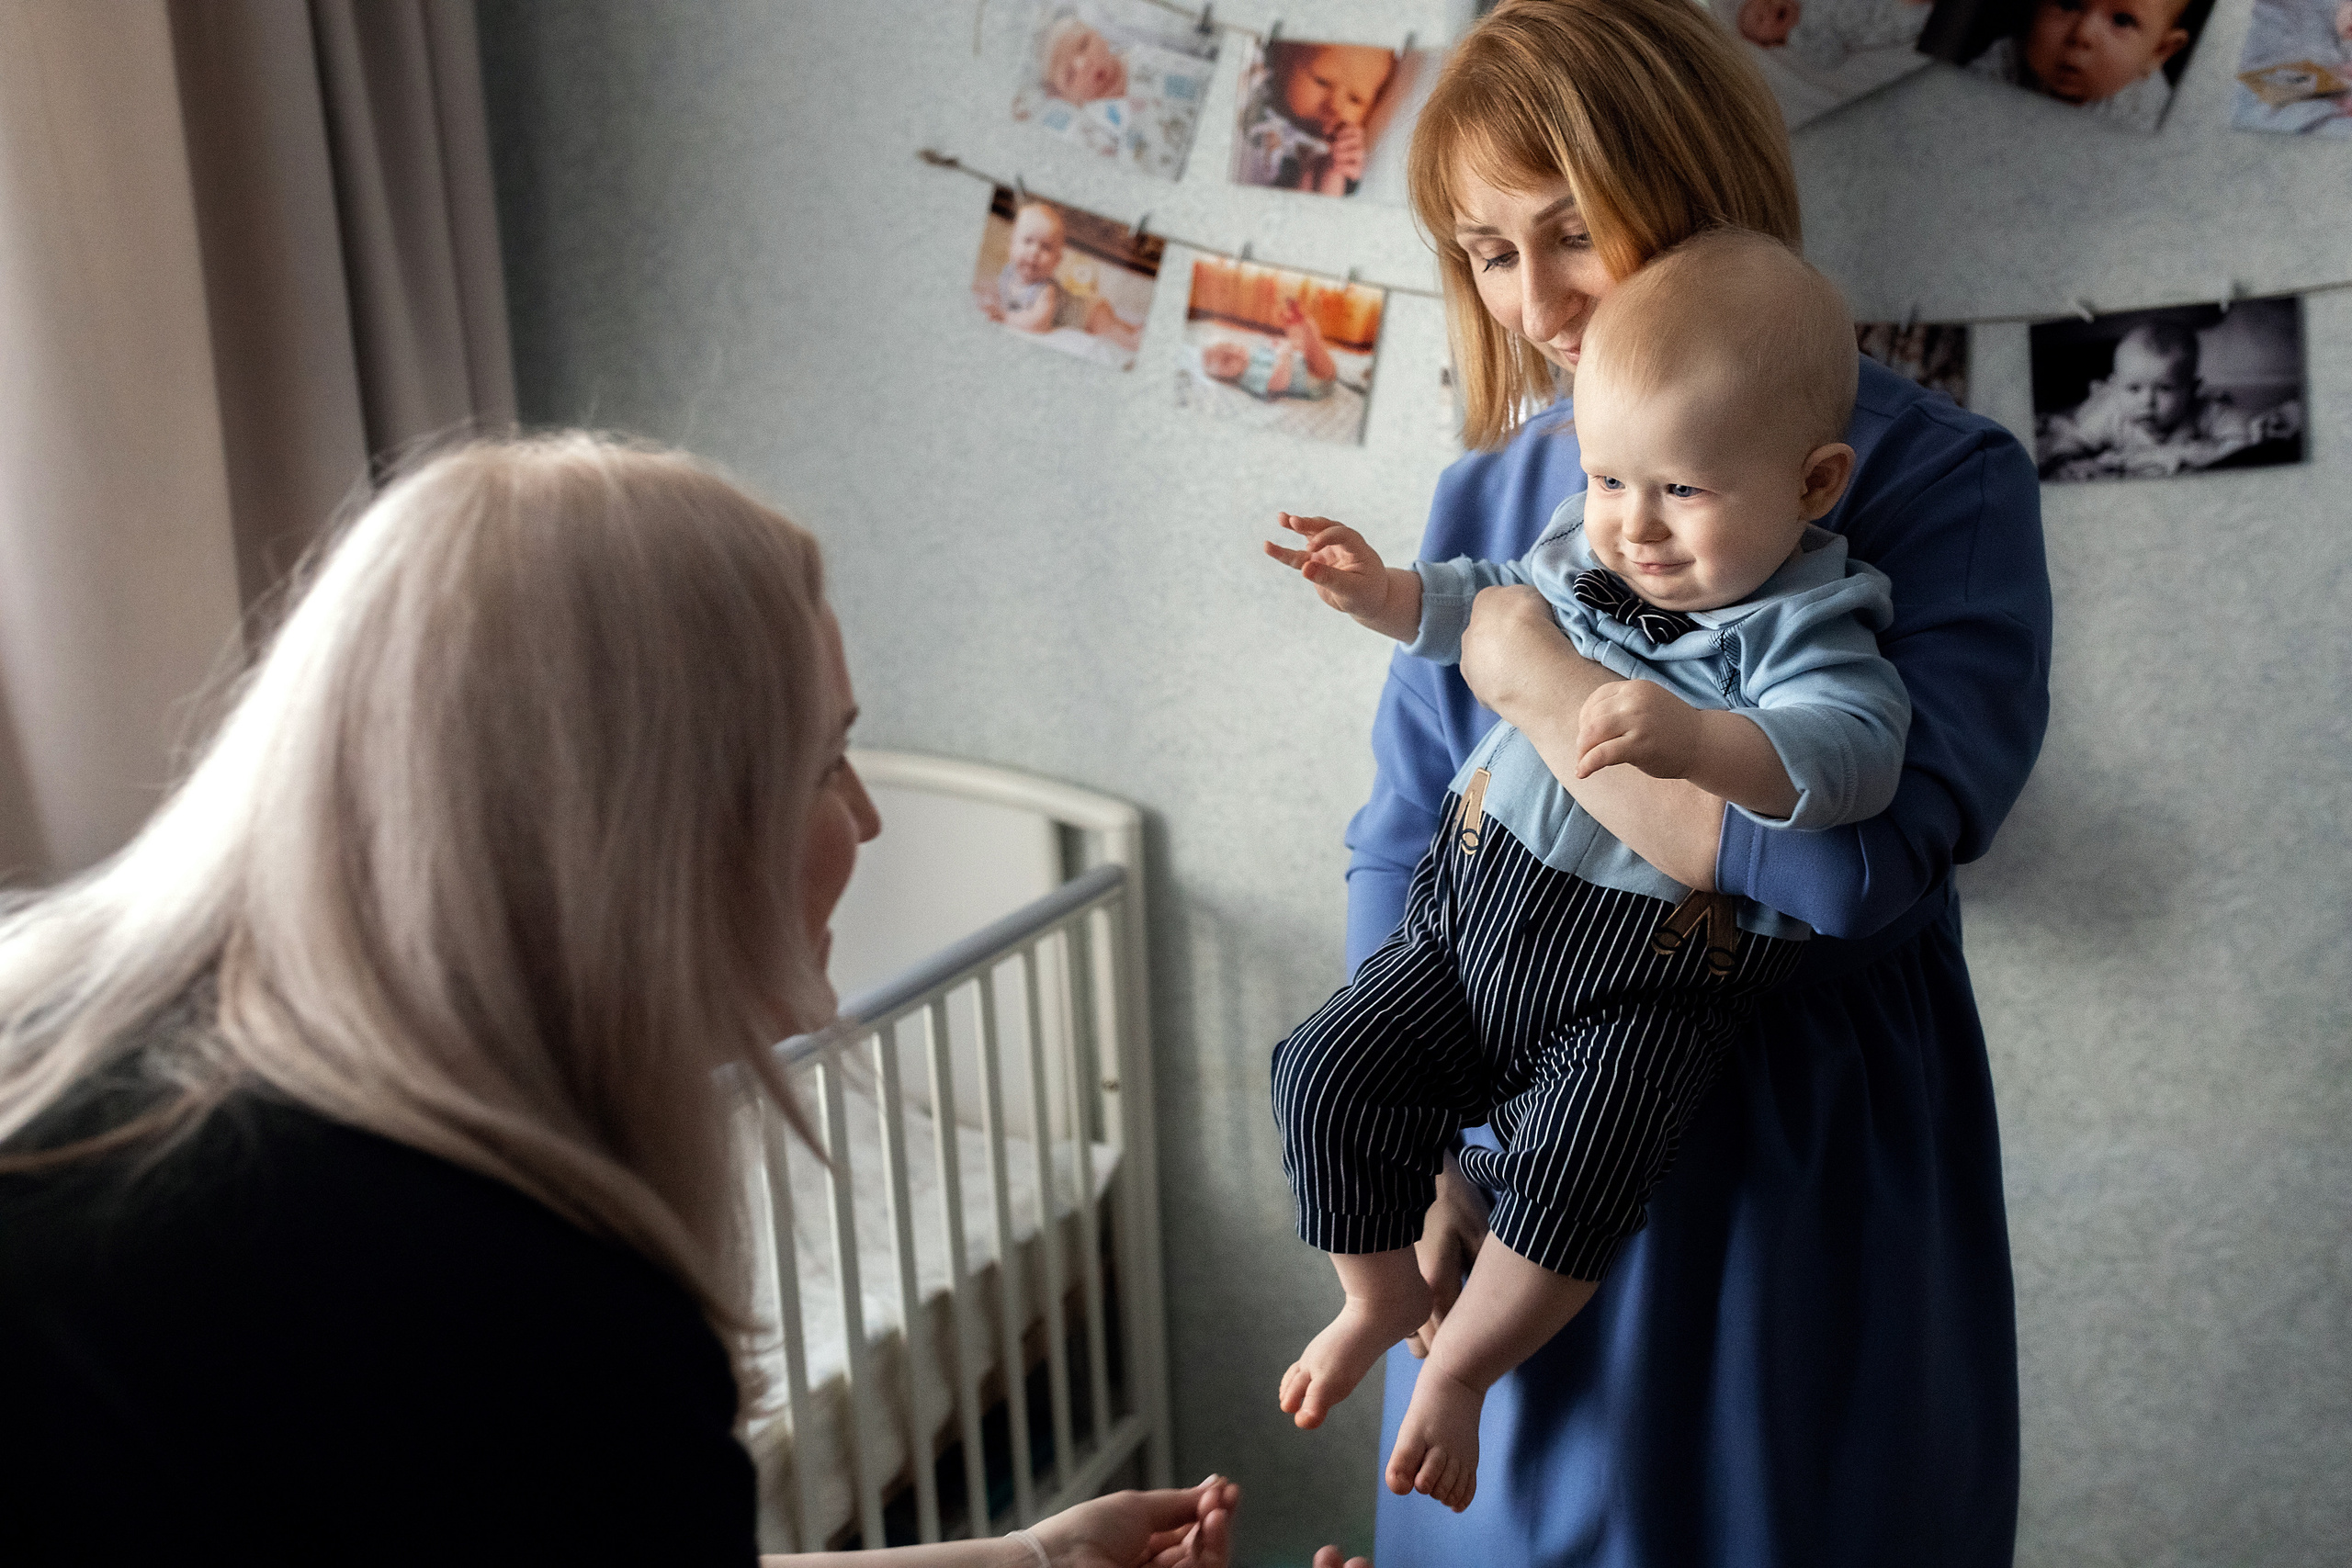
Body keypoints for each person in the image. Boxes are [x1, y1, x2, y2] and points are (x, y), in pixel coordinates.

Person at [0, 434, 1366, 1568]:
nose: (870, 817)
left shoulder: (93, 1065)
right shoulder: (506, 1304)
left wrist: (1024, 1557)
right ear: (649, 826)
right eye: (825, 762)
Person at [1342, 2, 2051, 1562]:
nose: (1536, 299)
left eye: (1571, 231)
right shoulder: (1491, 487)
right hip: (1502, 1124)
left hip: (1787, 1137)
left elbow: (1857, 881)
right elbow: (1403, 830)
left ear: (1698, 181)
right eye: (1485, 249)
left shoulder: (1943, 483)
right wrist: (1418, 1140)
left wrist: (1539, 676)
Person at [1263, 230, 1909, 1512]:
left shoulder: (1804, 619)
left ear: (1814, 481)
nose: (1635, 525)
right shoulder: (1580, 543)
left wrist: (1706, 740)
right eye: (1611, 478)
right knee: (1320, 1063)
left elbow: (1856, 756)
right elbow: (1479, 601)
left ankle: (1464, 1372)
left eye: (1683, 491)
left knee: (1575, 1174)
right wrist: (1385, 590)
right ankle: (1376, 1291)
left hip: (1647, 975)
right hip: (1470, 915)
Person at [2035, 317, 2302, 479]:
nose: (2147, 402)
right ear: (2117, 387)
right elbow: (2075, 440)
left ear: (2192, 389)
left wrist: (2254, 434)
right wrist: (2068, 457)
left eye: (2164, 389)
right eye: (2134, 389)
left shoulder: (2206, 410)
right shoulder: (2113, 415)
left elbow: (2242, 439)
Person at [1966, 0, 2198, 130]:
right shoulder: (2006, 60)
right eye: (2068, 4)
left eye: (2121, 20)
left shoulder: (2151, 111)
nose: (2081, 34)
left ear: (2158, 52)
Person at [978, 199, 1142, 354]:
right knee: (1117, 324)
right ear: (1012, 245)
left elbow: (1038, 324)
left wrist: (1006, 316)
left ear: (1056, 261)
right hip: (1088, 304)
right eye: (1028, 241)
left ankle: (1135, 337)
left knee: (1114, 334)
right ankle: (1133, 327)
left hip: (1089, 314)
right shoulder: (1007, 274)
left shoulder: (1045, 291)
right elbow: (1000, 293)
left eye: (1046, 247)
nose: (1034, 252)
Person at [1231, 41, 1396, 196]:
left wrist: (1334, 172)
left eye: (1355, 99)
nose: (1335, 106)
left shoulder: (1330, 152)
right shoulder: (1256, 81)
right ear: (1284, 59)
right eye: (1322, 81)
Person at [1200, 299, 1339, 400]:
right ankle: (1308, 332)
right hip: (1315, 383)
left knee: (1298, 346)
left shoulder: (1253, 355)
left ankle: (1300, 330)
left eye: (1230, 346)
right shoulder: (1248, 378)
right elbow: (1279, 383)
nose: (1234, 352)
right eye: (1227, 360)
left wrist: (1275, 346)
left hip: (1303, 363)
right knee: (1313, 351)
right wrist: (1284, 355)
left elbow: (1272, 353)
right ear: (1225, 378)